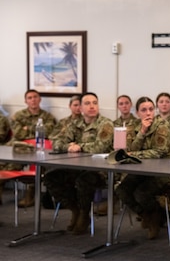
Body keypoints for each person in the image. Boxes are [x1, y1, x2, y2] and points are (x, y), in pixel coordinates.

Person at [43, 92, 114, 235]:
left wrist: (79, 146)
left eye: (95, 103)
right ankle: (74, 209)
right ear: (80, 108)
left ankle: (83, 213)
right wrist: (68, 147)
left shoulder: (106, 124)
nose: (92, 106)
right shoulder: (74, 124)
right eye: (87, 104)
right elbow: (57, 142)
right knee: (51, 177)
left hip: (100, 170)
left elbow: (100, 147)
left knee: (83, 180)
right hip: (75, 168)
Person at [115, 96, 170, 240]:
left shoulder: (162, 125)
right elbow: (128, 149)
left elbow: (159, 152)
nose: (148, 113)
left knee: (141, 193)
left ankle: (154, 216)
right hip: (141, 171)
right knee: (121, 190)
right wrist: (142, 132)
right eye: (144, 110)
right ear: (137, 113)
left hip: (163, 172)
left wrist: (134, 154)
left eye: (151, 109)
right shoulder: (132, 126)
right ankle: (147, 214)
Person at [5, 89, 57, 207]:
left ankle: (31, 192)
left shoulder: (47, 116)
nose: (33, 100)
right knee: (8, 159)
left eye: (35, 97)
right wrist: (35, 131)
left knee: (41, 160)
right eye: (30, 98)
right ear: (25, 101)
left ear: (40, 99)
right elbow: (18, 133)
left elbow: (48, 132)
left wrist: (27, 129)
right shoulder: (18, 115)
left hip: (39, 148)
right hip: (21, 147)